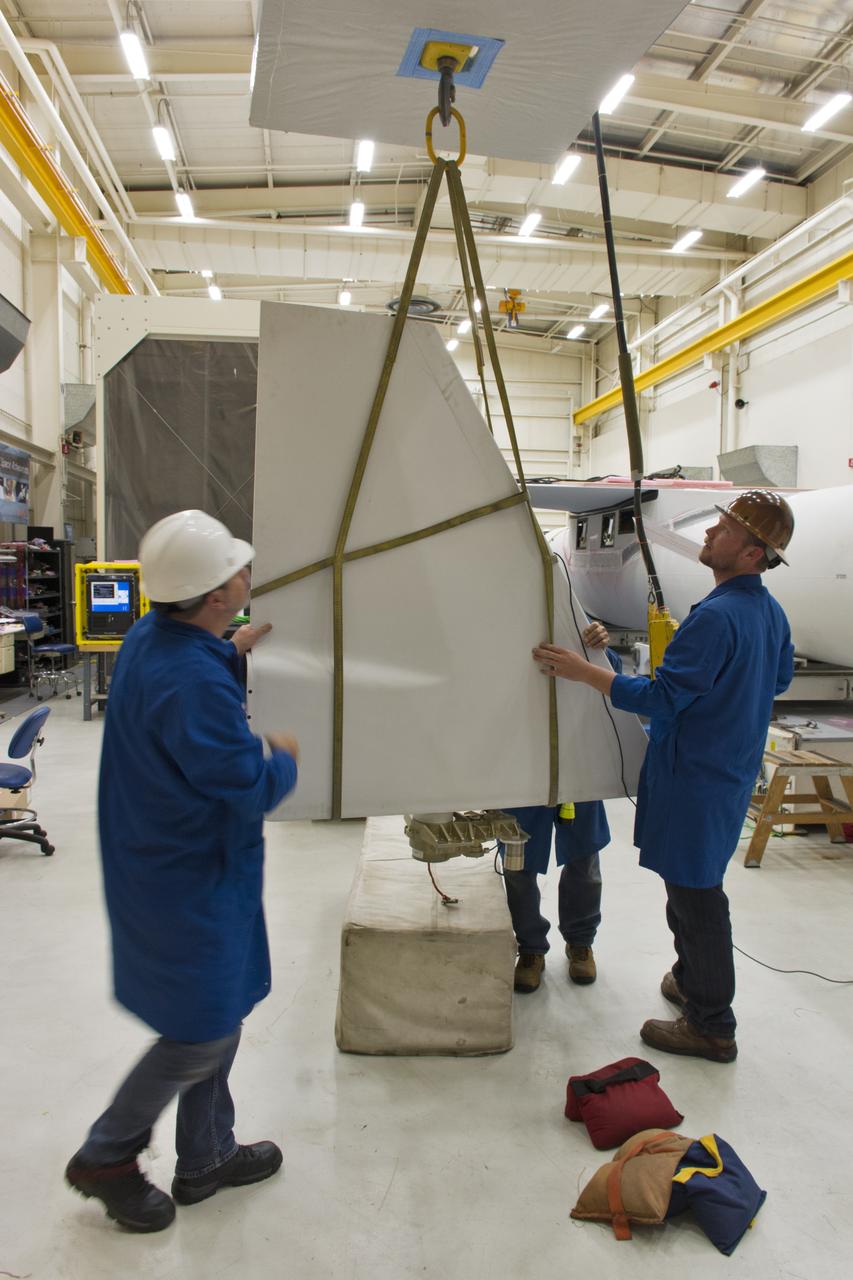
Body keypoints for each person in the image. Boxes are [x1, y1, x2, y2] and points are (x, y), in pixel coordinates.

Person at [65, 510, 299, 1232]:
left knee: (219, 1012)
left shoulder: (155, 634)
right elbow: (245, 785)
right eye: (236, 570)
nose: (245, 574)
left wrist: (232, 649)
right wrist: (282, 756)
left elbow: (186, 671)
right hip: (186, 874)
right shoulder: (191, 681)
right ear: (220, 591)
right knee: (199, 1029)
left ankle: (205, 1156)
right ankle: (107, 1155)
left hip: (176, 861)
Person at [532, 491, 795, 1063]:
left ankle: (710, 1024)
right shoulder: (767, 611)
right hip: (727, 772)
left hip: (694, 777)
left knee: (696, 899)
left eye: (723, 529)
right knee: (694, 887)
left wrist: (583, 671)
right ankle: (689, 978)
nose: (708, 535)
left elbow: (662, 699)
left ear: (752, 553)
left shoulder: (720, 615)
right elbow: (777, 681)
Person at [499, 623, 621, 994]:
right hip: (519, 763)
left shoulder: (573, 616)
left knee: (583, 860)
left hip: (576, 760)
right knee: (518, 865)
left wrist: (600, 648)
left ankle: (581, 943)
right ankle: (531, 947)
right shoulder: (499, 625)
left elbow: (610, 677)